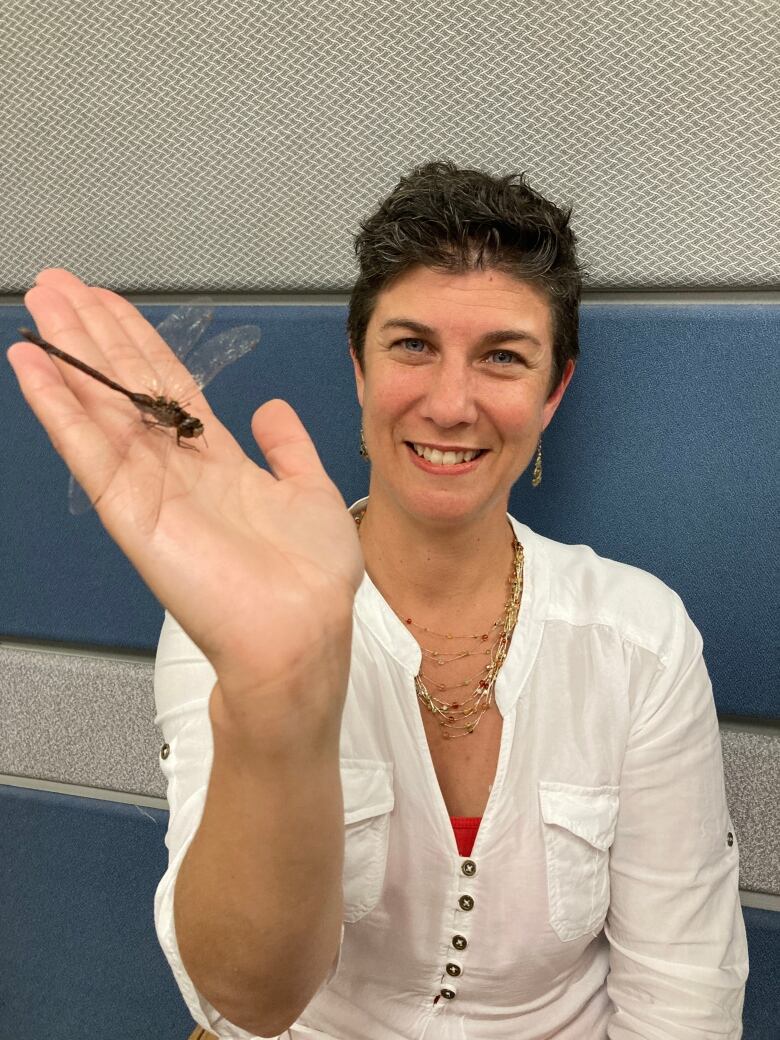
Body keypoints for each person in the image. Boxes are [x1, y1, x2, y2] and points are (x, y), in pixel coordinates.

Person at [8, 162, 748, 1040]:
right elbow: (245, 1002)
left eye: (504, 357)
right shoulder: (238, 613)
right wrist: (276, 691)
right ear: (358, 369)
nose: (450, 403)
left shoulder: (642, 638)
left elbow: (683, 998)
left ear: (554, 391)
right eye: (412, 346)